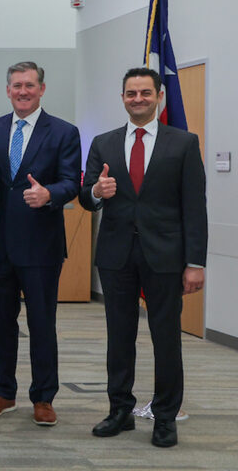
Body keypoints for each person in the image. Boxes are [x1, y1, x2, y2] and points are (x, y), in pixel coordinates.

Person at [80, 67, 207, 448]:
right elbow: (86, 197)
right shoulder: (103, 142)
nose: (138, 99)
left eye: (145, 93)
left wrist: (195, 263)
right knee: (119, 339)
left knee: (166, 339)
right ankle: (120, 410)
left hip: (165, 257)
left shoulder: (183, 143)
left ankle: (165, 417)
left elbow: (194, 207)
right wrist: (97, 192)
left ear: (158, 96)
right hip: (116, 255)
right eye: (131, 93)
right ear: (122, 98)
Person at [0, 62, 81, 426]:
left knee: (41, 324)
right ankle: (3, 392)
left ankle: (43, 397)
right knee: (0, 324)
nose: (23, 91)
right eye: (16, 85)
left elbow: (72, 182)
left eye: (29, 85)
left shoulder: (64, 132)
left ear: (42, 89)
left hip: (41, 246)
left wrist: (50, 194)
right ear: (8, 90)